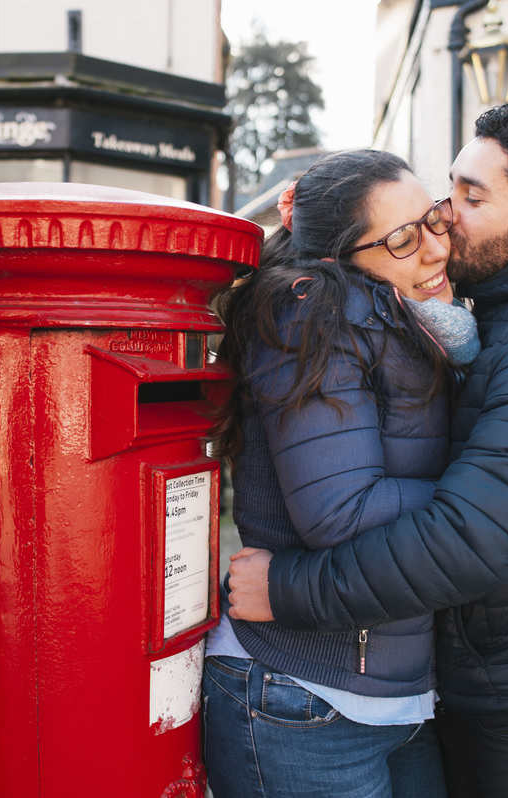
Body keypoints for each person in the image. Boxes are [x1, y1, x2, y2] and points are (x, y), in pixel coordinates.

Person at [226, 102, 508, 798]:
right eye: (448, 191)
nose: (445, 223)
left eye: (468, 199)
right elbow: (371, 500)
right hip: (423, 682)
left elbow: (474, 530)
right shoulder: (472, 316)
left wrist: (288, 587)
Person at [202, 149, 473, 798]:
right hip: (300, 696)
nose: (435, 248)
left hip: (395, 690)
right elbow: (340, 511)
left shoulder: (418, 324)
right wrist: (505, 496)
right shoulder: (310, 316)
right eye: (404, 239)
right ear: (335, 262)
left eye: (434, 219)